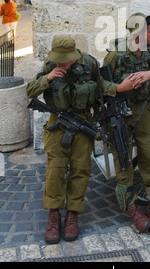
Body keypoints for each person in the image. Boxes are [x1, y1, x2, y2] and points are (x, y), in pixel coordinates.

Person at [26, 35, 134, 244]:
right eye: (58, 59)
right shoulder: (49, 66)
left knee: (81, 168)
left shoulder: (89, 64)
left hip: (83, 121)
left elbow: (101, 87)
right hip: (57, 120)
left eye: (63, 60)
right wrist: (47, 78)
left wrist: (119, 89)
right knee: (55, 169)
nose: (60, 63)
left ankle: (73, 214)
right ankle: (54, 214)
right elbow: (30, 90)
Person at [103, 13, 150, 233]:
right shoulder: (116, 54)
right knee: (123, 161)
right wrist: (119, 88)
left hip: (144, 111)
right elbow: (99, 84)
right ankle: (132, 208)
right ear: (138, 33)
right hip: (120, 113)